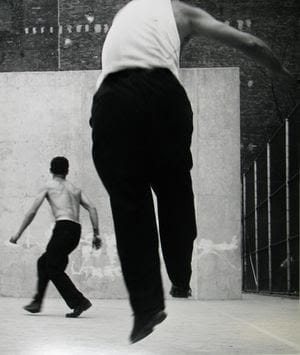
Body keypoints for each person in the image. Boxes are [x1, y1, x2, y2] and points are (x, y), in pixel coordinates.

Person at [90, 0, 295, 343]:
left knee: (130, 207)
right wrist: (280, 71)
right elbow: (251, 43)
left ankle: (146, 308)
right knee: (174, 192)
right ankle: (180, 277)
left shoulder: (122, 15)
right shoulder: (183, 13)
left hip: (110, 103)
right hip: (162, 95)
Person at [10, 156, 102, 318]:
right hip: (75, 230)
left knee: (53, 268)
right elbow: (92, 208)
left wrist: (18, 233)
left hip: (63, 228)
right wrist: (96, 234)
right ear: (67, 171)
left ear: (51, 170)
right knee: (44, 262)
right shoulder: (75, 189)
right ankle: (37, 302)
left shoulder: (49, 186)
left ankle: (79, 301)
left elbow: (32, 211)